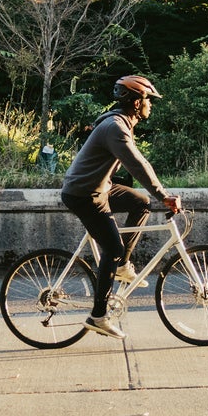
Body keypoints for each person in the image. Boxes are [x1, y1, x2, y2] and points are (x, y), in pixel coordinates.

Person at [59, 75, 183, 338]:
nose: (151, 104)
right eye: (148, 100)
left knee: (140, 202)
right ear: (137, 102)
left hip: (99, 188)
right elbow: (137, 165)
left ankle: (122, 265)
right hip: (84, 194)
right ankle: (99, 316)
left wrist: (155, 196)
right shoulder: (116, 127)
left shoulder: (121, 122)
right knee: (112, 247)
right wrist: (164, 195)